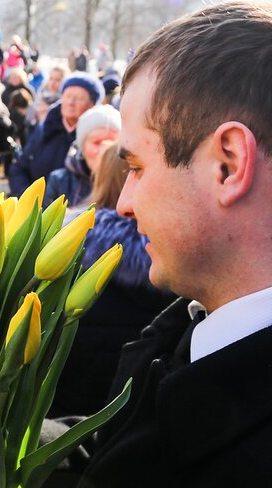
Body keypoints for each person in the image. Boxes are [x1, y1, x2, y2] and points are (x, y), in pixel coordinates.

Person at [48, 1, 272, 488]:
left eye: (138, 168)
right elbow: (120, 448)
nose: (123, 202)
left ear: (228, 164)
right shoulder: (204, 319)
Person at [49, 144, 173, 418]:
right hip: (137, 411)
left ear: (100, 177)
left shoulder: (70, 244)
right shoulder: (172, 257)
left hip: (65, 404)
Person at [7, 72, 104, 196]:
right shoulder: (45, 129)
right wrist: (29, 200)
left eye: (79, 98)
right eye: (67, 96)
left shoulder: (97, 138)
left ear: (92, 105)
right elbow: (19, 167)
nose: (70, 102)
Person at [43, 104, 120, 208]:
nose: (105, 149)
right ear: (82, 147)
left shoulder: (126, 181)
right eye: (97, 142)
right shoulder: (59, 181)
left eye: (111, 143)